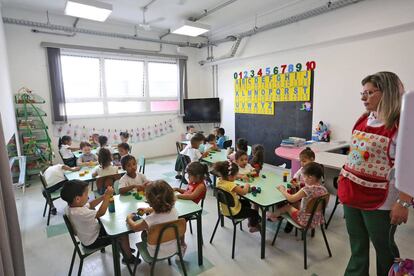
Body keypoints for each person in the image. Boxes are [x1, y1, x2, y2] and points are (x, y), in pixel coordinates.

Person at [337, 72, 413, 276]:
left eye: (370, 93)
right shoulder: (364, 118)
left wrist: (404, 202)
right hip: (352, 193)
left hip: (381, 200)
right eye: (363, 93)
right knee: (357, 246)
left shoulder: (402, 126)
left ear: (387, 93)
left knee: (384, 248)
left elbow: (411, 166)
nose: (363, 98)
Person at [61, 180, 135, 264]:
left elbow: (91, 205)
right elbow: (101, 213)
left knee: (113, 224)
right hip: (93, 241)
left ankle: (124, 248)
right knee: (121, 233)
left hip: (89, 233)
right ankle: (128, 258)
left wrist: (103, 196)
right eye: (86, 194)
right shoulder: (80, 213)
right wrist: (107, 196)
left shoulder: (72, 207)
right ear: (77, 199)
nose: (88, 196)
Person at [126, 180, 184, 257]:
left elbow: (135, 228)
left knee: (144, 233)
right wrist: (148, 210)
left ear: (150, 202)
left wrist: (129, 218)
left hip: (155, 253)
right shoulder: (174, 210)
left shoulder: (150, 219)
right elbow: (163, 209)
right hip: (174, 248)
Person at [214, 160, 261, 232]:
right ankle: (253, 226)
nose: (236, 176)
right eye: (236, 175)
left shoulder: (219, 180)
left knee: (246, 202)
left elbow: (231, 181)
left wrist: (240, 177)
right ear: (230, 176)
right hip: (234, 212)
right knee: (255, 213)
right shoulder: (231, 185)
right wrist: (247, 185)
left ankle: (250, 220)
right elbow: (244, 192)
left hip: (224, 208)